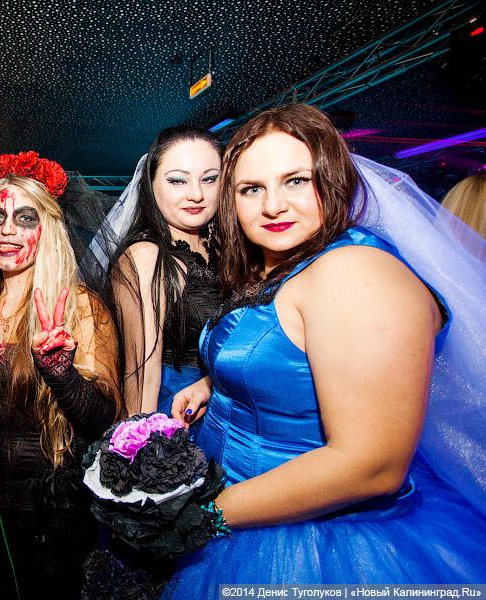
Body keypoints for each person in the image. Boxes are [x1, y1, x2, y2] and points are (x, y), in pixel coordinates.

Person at [163, 103, 485, 595]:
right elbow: (293, 346)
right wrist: (215, 382)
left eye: (296, 180)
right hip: (246, 506)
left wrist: (200, 514)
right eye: (252, 189)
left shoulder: (357, 273)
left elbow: (371, 466)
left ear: (332, 180)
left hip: (316, 547)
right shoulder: (288, 262)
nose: (273, 206)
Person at [0, 151, 121, 599]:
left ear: (49, 229)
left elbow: (103, 420)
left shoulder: (79, 305)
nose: (7, 230)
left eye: (25, 218)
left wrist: (59, 369)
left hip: (54, 508)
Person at [107, 126, 222, 416]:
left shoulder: (228, 247)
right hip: (176, 420)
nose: (196, 194)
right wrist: (146, 440)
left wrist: (212, 383)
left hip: (234, 413)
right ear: (151, 184)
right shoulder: (146, 257)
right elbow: (142, 380)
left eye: (209, 179)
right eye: (177, 181)